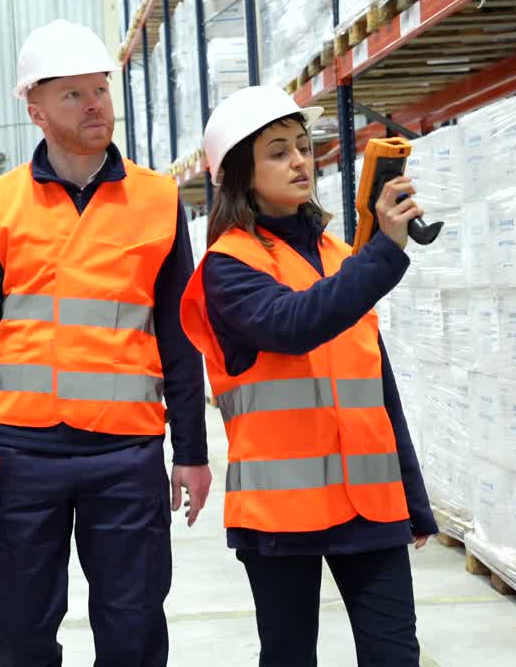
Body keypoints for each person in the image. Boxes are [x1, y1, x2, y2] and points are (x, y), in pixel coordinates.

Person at [0, 18, 212, 667]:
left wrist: (192, 453)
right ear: (35, 110)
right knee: (15, 626)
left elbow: (180, 337)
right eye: (73, 95)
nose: (95, 106)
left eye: (101, 91)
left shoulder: (156, 199)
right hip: (19, 452)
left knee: (134, 625)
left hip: (126, 453)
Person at [179, 85, 439, 667]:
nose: (300, 161)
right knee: (290, 656)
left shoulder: (342, 255)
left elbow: (378, 388)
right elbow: (292, 324)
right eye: (278, 152)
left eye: (302, 146)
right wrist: (384, 253)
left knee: (396, 655)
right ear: (241, 174)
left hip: (370, 507)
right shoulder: (228, 267)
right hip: (280, 515)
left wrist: (412, 497)